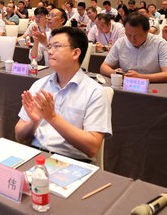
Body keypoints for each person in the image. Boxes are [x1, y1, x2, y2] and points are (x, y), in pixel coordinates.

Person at [15, 27, 112, 161]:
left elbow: (92, 148)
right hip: (36, 156)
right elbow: (19, 136)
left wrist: (53, 118)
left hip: (72, 161)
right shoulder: (40, 85)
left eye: (57, 46)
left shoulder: (95, 92)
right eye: (49, 46)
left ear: (75, 53)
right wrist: (33, 122)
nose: (49, 51)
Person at [100, 14, 167, 83]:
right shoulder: (121, 42)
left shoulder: (160, 44)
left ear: (147, 31)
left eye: (137, 35)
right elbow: (103, 67)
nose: (132, 39)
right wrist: (116, 73)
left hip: (153, 86)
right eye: (129, 35)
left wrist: (139, 77)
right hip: (127, 85)